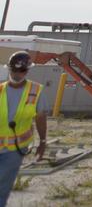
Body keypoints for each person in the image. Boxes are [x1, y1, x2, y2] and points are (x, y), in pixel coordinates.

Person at [1, 51, 47, 205]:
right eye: (14, 70)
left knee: (2, 186)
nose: (17, 74)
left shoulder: (36, 90)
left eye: (21, 71)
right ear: (9, 68)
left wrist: (43, 142)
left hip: (15, 149)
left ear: (27, 71)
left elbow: (40, 117)